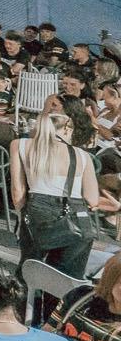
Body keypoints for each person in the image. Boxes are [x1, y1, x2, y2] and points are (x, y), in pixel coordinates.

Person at [12, 108, 114, 277]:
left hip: (37, 209)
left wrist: (21, 215)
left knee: (30, 269)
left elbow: (18, 191)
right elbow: (92, 199)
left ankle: (28, 301)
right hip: (74, 216)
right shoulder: (82, 156)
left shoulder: (20, 145)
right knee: (65, 277)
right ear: (67, 129)